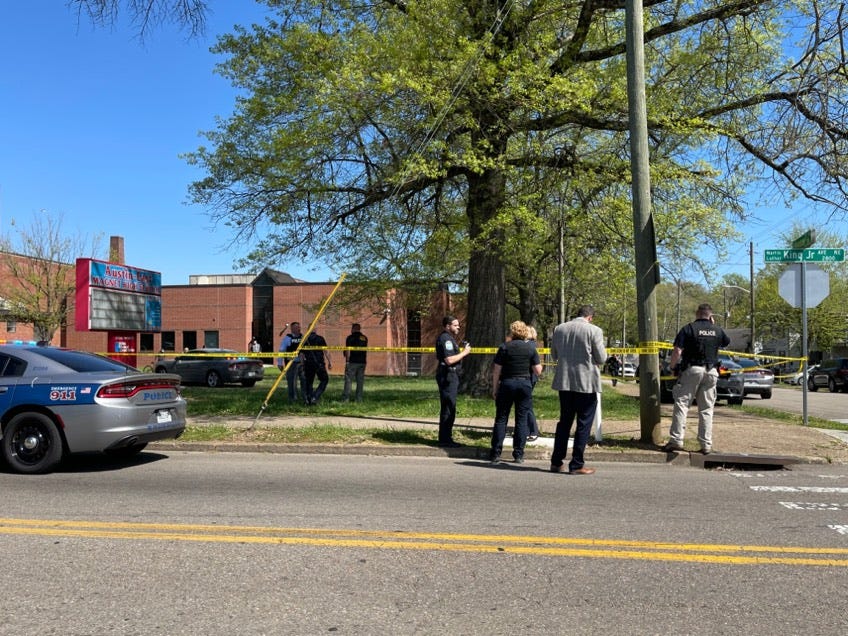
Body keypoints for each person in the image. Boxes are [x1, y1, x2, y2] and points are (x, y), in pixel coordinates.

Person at [662, 303, 730, 455]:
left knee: (682, 404)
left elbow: (678, 350)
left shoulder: (689, 328)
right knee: (706, 409)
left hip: (692, 370)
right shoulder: (718, 330)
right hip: (711, 371)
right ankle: (706, 444)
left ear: (697, 313)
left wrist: (672, 367)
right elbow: (726, 342)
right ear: (710, 316)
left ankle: (676, 441)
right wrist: (713, 326)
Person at [550, 305, 606, 475]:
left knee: (564, 422)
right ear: (590, 317)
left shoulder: (559, 329)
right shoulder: (594, 331)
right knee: (583, 423)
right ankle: (576, 464)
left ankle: (556, 462)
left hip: (564, 382)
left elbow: (554, 355)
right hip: (586, 383)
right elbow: (601, 358)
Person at [489, 321, 543, 464]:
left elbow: (496, 370)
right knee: (522, 419)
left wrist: (495, 388)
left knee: (501, 418)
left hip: (507, 383)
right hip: (524, 384)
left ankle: (495, 453)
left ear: (512, 332)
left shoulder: (504, 347)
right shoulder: (530, 349)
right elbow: (538, 370)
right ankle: (518, 454)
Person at [435, 315, 471, 447]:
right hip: (447, 376)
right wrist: (464, 353)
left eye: (458, 325)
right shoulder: (445, 339)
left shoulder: (450, 339)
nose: (458, 327)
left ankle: (446, 436)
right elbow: (449, 360)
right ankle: (445, 439)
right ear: (447, 326)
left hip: (451, 375)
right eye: (455, 325)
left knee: (450, 406)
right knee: (448, 407)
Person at [278, 322, 306, 403]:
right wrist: (280, 363)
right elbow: (282, 350)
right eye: (296, 327)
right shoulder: (288, 338)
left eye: (299, 327)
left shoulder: (303, 337)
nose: (299, 329)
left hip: (302, 363)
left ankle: (305, 398)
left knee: (304, 381)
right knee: (292, 383)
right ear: (292, 329)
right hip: (291, 363)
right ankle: (293, 400)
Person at [302, 329, 332, 405]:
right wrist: (330, 362)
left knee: (309, 382)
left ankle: (309, 400)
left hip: (308, 363)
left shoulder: (304, 339)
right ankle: (315, 396)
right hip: (319, 363)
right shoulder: (320, 338)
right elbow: (326, 351)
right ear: (315, 330)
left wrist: (303, 364)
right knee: (324, 379)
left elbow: (301, 354)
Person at [342, 323, 368, 402]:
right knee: (360, 381)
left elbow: (348, 350)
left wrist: (347, 361)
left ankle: (346, 399)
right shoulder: (364, 338)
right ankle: (359, 399)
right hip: (362, 362)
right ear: (359, 329)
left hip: (352, 362)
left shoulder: (350, 338)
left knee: (349, 381)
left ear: (353, 329)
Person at [525, 325, 541, 441]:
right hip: (530, 377)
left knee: (526, 405)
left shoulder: (529, 346)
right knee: (525, 404)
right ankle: (527, 429)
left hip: (528, 378)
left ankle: (532, 430)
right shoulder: (532, 345)